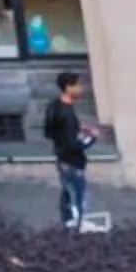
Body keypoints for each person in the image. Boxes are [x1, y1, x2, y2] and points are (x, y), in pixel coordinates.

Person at [43, 69, 94, 228]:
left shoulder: (54, 106)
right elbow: (73, 144)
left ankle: (68, 222)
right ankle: (79, 224)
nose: (80, 88)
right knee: (79, 193)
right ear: (68, 87)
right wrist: (91, 138)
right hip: (73, 160)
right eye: (77, 85)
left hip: (61, 157)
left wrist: (77, 129)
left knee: (67, 192)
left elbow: (49, 132)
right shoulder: (67, 114)